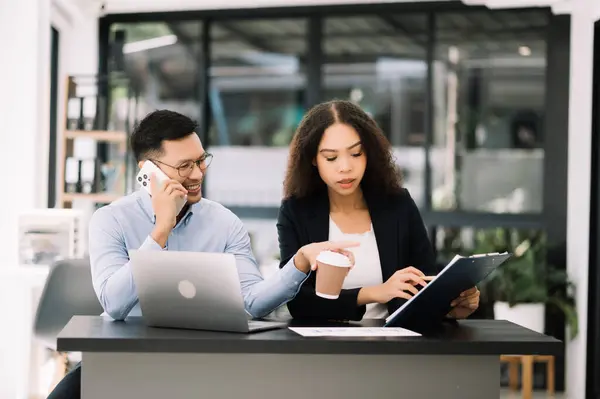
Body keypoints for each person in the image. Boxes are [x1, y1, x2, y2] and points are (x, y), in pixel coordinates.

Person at [46, 109, 354, 399]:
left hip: (204, 361)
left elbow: (254, 303)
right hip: (122, 358)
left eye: (201, 161)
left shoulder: (224, 223)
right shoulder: (110, 220)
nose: (197, 174)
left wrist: (300, 261)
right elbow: (114, 305)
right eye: (184, 166)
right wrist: (160, 232)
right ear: (148, 172)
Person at [276, 100, 480, 321]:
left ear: (369, 153)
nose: (345, 167)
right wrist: (375, 292)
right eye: (331, 158)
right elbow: (299, 302)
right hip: (323, 348)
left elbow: (423, 286)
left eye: (356, 153)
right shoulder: (296, 211)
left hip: (393, 346)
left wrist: (452, 307)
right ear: (313, 159)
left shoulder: (398, 205)